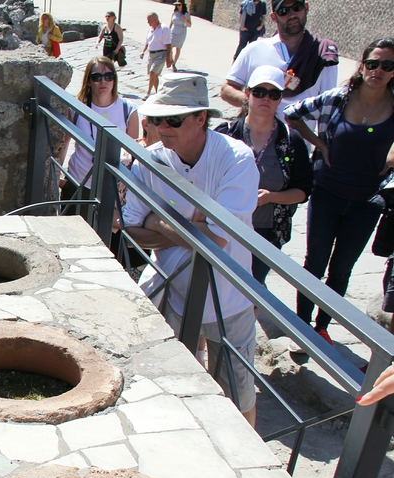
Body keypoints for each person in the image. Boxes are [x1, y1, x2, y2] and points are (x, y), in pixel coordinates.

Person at [123, 74, 260, 426]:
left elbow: (215, 242)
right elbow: (130, 230)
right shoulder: (150, 159)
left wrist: (160, 222)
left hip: (229, 297)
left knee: (238, 395)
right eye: (155, 119)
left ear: (201, 118)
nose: (162, 128)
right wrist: (193, 228)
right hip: (177, 291)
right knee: (174, 384)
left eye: (173, 119)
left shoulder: (236, 159)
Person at [284, 37, 394, 344]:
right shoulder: (341, 97)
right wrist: (318, 143)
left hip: (367, 202)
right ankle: (302, 323)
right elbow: (293, 113)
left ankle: (322, 326)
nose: (378, 70)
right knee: (314, 262)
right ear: (362, 65)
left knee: (341, 270)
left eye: (387, 65)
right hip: (327, 193)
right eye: (373, 63)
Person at [215, 65, 312, 286]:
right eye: (259, 92)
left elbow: (303, 191)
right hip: (226, 224)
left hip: (267, 230)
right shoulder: (225, 134)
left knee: (253, 285)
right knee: (221, 282)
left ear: (280, 99)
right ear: (247, 94)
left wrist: (270, 197)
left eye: (273, 94)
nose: (265, 99)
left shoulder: (291, 140)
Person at [222, 0, 339, 132]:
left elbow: (328, 109)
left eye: (297, 7)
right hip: (253, 142)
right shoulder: (254, 50)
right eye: (284, 11)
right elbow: (226, 89)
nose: (292, 14)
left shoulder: (322, 56)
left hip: (298, 147)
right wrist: (255, 102)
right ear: (273, 17)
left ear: (306, 8)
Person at [58, 56, 140, 216]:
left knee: (105, 239)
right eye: (97, 77)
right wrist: (57, 178)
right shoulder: (76, 108)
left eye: (109, 76)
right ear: (88, 81)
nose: (104, 82)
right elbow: (63, 145)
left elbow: (131, 154)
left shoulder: (128, 110)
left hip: (111, 188)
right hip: (78, 182)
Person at [140, 13, 172, 99]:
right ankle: (159, 92)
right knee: (154, 75)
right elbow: (147, 42)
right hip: (151, 54)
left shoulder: (164, 28)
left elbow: (168, 44)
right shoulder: (150, 29)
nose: (148, 22)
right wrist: (143, 51)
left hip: (161, 54)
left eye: (149, 20)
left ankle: (148, 93)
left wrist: (169, 58)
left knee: (152, 73)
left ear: (155, 19)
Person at [169, 2, 192, 72]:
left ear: (182, 5)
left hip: (181, 33)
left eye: (179, 5)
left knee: (178, 49)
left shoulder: (186, 14)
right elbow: (171, 23)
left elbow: (189, 25)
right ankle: (171, 61)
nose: (178, 6)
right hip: (173, 32)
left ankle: (174, 64)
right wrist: (167, 31)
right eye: (176, 5)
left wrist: (184, 20)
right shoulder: (174, 13)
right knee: (169, 48)